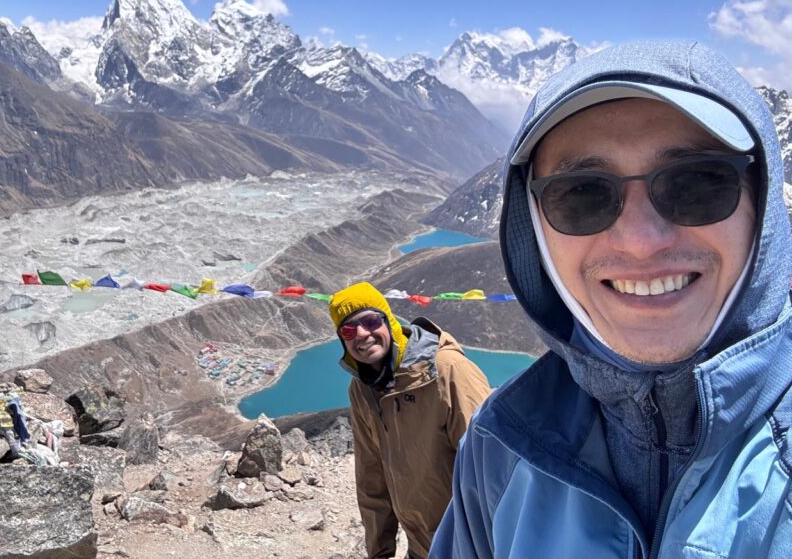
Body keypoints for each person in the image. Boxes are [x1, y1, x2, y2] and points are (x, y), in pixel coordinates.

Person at [430, 41, 792, 558]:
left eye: (698, 182)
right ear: (535, 233)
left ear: (762, 204)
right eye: (581, 194)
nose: (642, 240)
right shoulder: (499, 447)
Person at [331, 281, 491, 559]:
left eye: (370, 321)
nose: (361, 334)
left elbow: (490, 468)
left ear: (389, 321)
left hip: (470, 546)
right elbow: (372, 475)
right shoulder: (362, 389)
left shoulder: (448, 371)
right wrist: (379, 552)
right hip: (421, 546)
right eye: (348, 330)